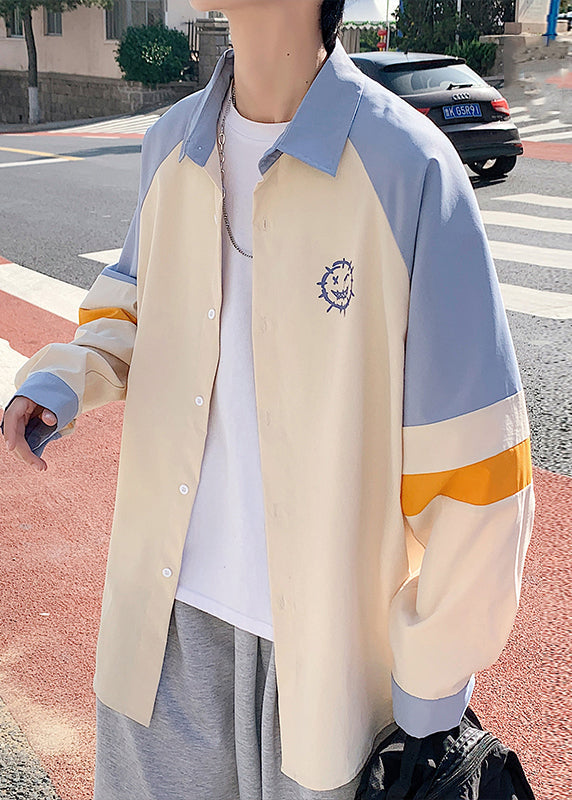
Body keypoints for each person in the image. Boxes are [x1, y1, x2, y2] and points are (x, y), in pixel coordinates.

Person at [1, 1, 535, 798]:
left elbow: (476, 463)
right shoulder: (173, 142)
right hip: (164, 625)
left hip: (330, 657)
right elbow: (131, 302)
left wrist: (432, 689)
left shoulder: (406, 166)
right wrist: (65, 377)